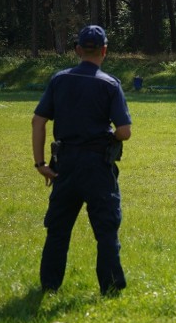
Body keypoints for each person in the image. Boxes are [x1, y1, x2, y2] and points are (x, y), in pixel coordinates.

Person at [31, 25, 132, 296]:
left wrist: (40, 164)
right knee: (106, 230)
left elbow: (38, 121)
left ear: (77, 50)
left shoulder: (59, 80)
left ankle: (50, 285)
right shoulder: (110, 84)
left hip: (63, 164)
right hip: (97, 166)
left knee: (58, 229)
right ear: (105, 51)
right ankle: (110, 288)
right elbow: (124, 132)